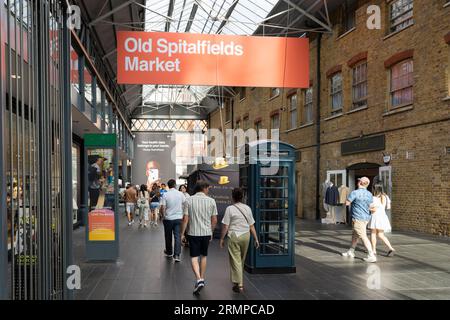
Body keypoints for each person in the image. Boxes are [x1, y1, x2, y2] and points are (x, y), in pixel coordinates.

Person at [181, 180, 218, 295]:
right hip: (206, 233)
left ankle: (198, 279)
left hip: (193, 233)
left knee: (193, 257)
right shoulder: (211, 201)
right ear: (204, 188)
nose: (208, 190)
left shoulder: (188, 200)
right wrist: (211, 231)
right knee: (204, 256)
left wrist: (182, 233)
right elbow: (214, 220)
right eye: (208, 188)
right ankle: (202, 278)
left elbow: (185, 219)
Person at [220, 188, 260, 293]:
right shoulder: (247, 208)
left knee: (235, 260)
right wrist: (256, 239)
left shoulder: (230, 209)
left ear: (233, 197)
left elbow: (225, 226)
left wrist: (222, 238)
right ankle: (239, 282)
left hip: (234, 236)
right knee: (241, 260)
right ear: (242, 197)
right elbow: (251, 225)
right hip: (246, 235)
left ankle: (239, 284)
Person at [342, 177, 377, 263]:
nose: (357, 182)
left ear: (360, 183)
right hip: (366, 218)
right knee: (355, 234)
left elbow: (347, 203)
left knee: (363, 236)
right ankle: (351, 251)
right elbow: (372, 207)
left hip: (358, 218)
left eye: (358, 181)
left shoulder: (355, 192)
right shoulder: (369, 194)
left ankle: (371, 255)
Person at [160, 179, 186, 262]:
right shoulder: (181, 194)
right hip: (178, 218)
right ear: (175, 185)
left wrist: (163, 216)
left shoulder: (165, 194)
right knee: (177, 236)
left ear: (168, 186)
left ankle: (169, 252)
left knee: (168, 236)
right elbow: (185, 203)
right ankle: (177, 255)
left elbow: (163, 207)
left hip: (168, 218)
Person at [369, 184, 395, 256]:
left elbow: (373, 209)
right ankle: (390, 248)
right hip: (382, 216)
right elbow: (388, 207)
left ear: (375, 189)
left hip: (375, 216)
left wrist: (368, 208)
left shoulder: (374, 198)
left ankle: (374, 250)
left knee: (373, 233)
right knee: (381, 234)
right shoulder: (385, 196)